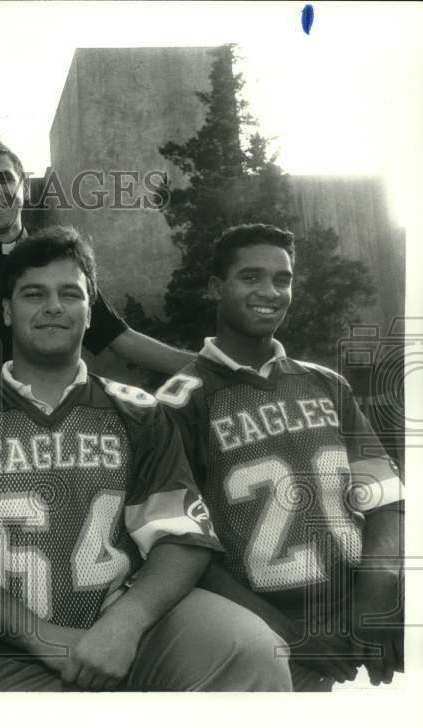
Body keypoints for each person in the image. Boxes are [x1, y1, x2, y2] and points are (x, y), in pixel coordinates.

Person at [0, 226, 292, 692]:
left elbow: (181, 537)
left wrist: (125, 624)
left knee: (248, 645)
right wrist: (43, 638)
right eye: (34, 294)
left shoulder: (137, 410)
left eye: (70, 294)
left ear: (90, 311)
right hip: (11, 651)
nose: (53, 306)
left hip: (133, 629)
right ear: (7, 311)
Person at [156, 223, 404, 691]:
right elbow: (181, 547)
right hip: (266, 628)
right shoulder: (179, 403)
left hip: (358, 604)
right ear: (215, 287)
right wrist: (287, 636)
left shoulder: (326, 383)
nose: (269, 292)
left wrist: (381, 579)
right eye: (250, 277)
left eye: (282, 279)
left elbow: (386, 497)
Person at [0, 143, 195, 404]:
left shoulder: (65, 263)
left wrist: (212, 367)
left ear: (26, 188)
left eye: (4, 179)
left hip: (66, 423)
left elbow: (123, 340)